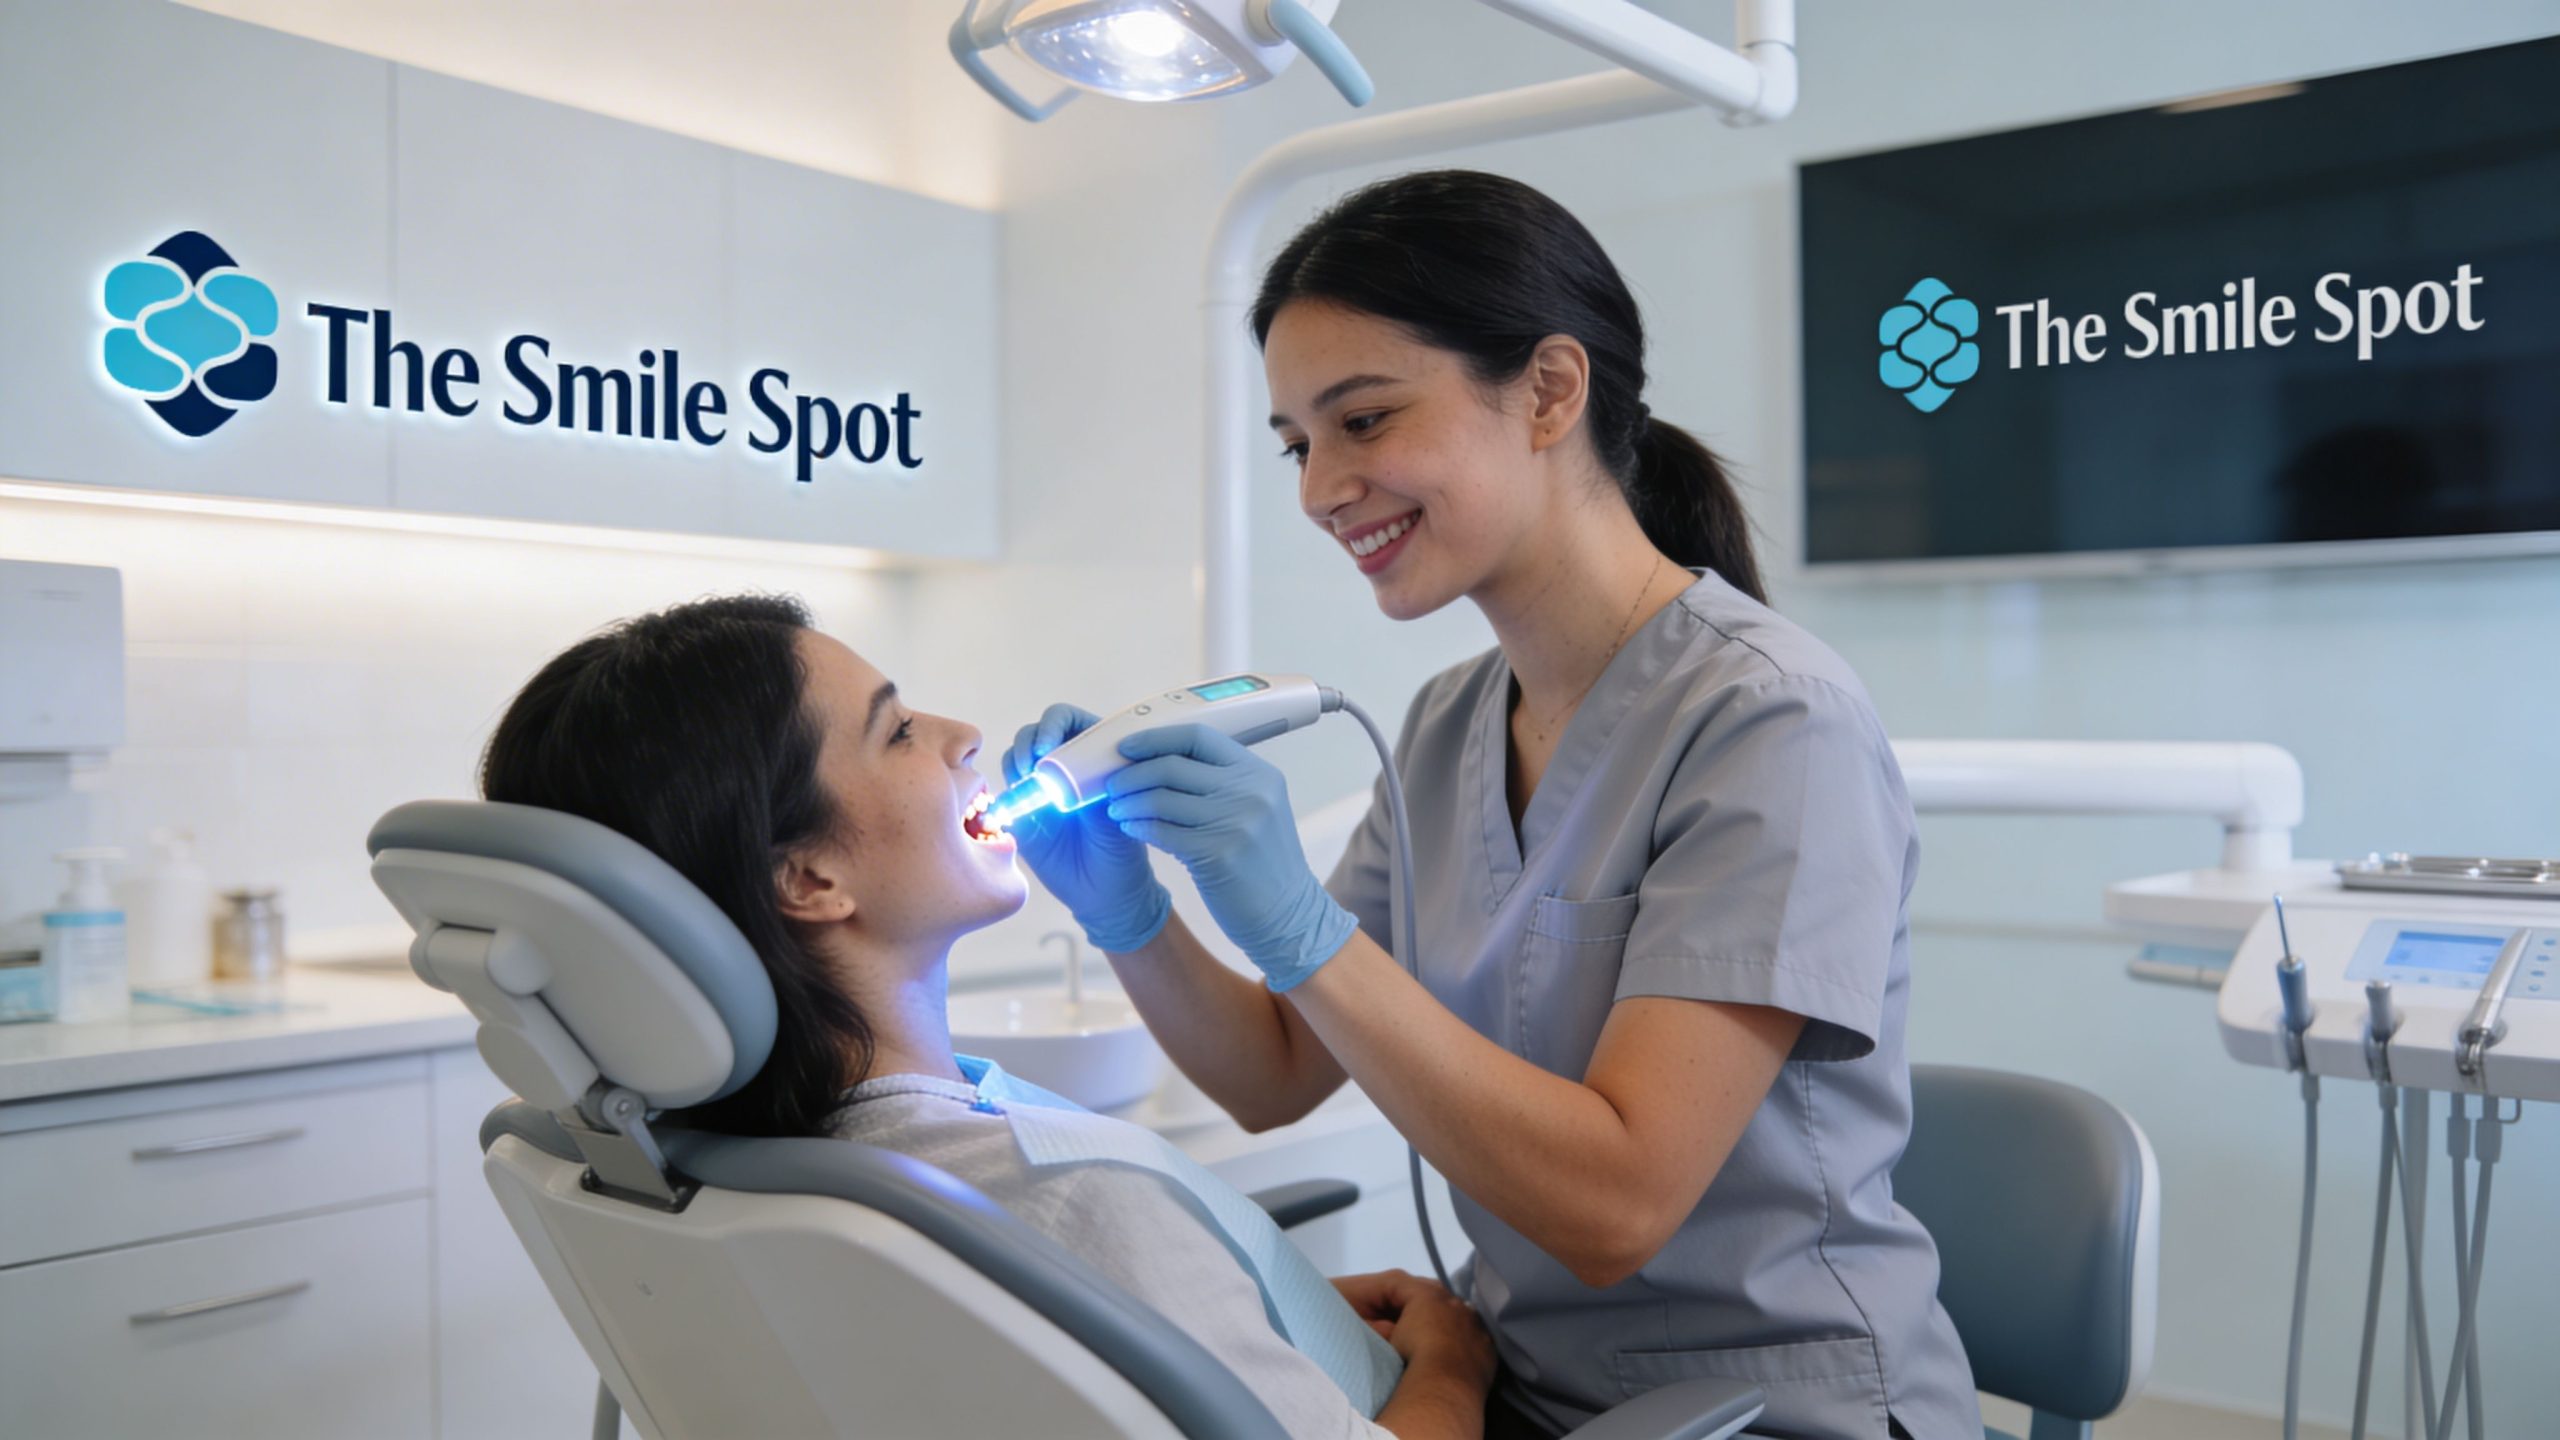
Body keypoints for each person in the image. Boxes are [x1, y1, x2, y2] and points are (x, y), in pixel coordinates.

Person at [1008, 170, 1980, 1439]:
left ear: (1550, 391)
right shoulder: (1446, 725)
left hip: (1768, 1410)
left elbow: (1614, 1208)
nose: (1317, 491)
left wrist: (1303, 929)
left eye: (1362, 421)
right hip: (1522, 1387)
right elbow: (1273, 1073)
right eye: (1300, 444)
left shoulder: (1768, 719)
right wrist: (1131, 915)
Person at [477, 594, 1496, 1440]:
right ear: (809, 875)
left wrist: (1250, 1303)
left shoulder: (729, 1174)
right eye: (900, 729)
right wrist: (1450, 1367)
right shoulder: (1064, 1197)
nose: (964, 735)